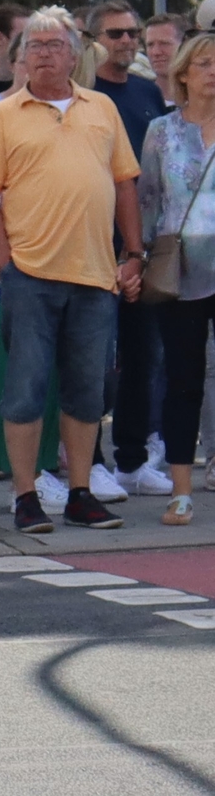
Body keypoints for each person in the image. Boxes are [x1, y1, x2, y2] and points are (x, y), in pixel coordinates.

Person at [0, 5, 144, 533]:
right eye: (34, 47)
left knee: (87, 390)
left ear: (74, 54)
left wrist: (133, 254)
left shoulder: (101, 109)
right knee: (24, 388)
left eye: (54, 45)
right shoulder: (2, 114)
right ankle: (25, 496)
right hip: (31, 274)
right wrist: (6, 266)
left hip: (94, 274)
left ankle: (81, 491)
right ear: (20, 59)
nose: (44, 54)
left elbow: (124, 186)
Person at [87, 0, 169, 496]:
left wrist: (141, 249)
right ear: (94, 40)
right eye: (115, 34)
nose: (126, 42)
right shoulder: (85, 95)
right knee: (92, 359)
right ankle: (89, 459)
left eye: (132, 34)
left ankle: (133, 459)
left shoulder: (145, 93)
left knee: (144, 354)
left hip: (143, 242)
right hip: (93, 240)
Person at [136, 33, 215, 525]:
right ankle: (181, 490)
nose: (213, 72)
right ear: (184, 73)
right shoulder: (162, 132)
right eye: (205, 63)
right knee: (184, 380)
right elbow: (147, 201)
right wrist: (134, 256)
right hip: (180, 268)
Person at [144, 12, 187, 103]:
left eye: (164, 44)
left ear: (185, 45)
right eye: (150, 45)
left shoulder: (204, 99)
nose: (156, 52)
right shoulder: (141, 101)